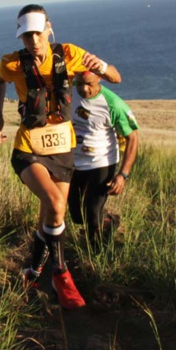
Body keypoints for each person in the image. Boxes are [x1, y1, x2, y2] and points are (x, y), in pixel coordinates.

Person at [0, 4, 121, 310]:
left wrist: (99, 65)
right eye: (27, 36)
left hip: (62, 150)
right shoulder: (11, 64)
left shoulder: (70, 54)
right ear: (20, 37)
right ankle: (61, 274)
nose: (34, 41)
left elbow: (115, 77)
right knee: (56, 203)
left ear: (49, 28)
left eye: (38, 33)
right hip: (28, 149)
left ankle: (32, 273)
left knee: (52, 215)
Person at [69, 71, 139, 244]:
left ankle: (97, 253)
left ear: (100, 78)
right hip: (73, 163)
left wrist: (123, 175)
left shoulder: (113, 104)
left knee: (92, 214)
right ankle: (109, 219)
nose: (84, 89)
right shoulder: (69, 93)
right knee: (77, 216)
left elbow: (133, 137)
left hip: (101, 162)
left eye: (89, 84)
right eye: (79, 83)